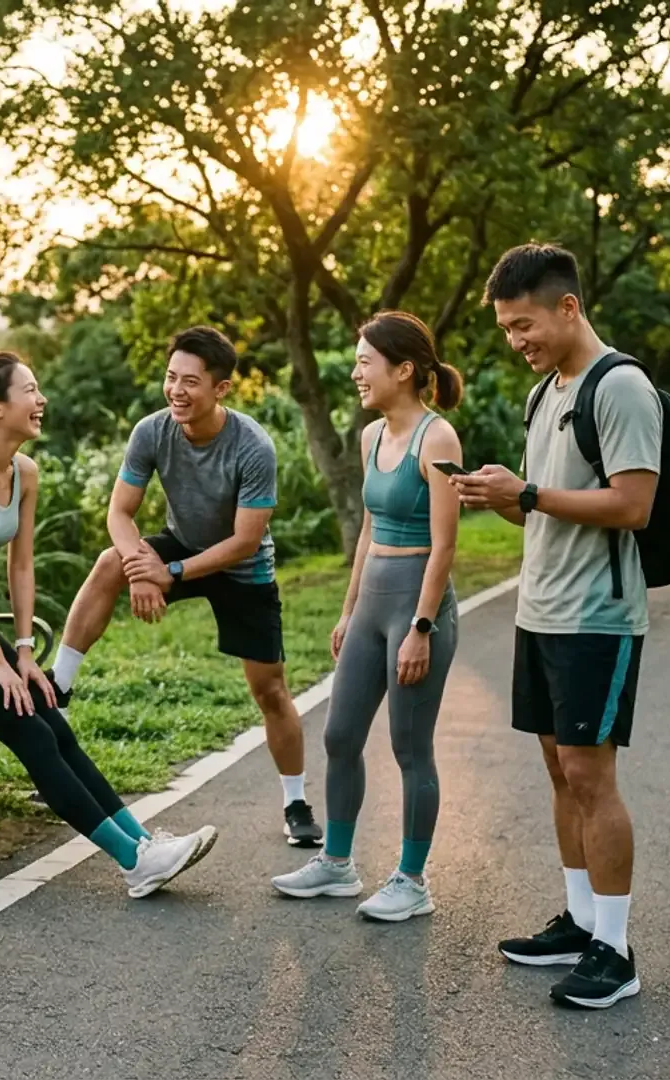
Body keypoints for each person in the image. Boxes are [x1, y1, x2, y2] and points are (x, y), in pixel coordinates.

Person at [0, 353, 217, 899]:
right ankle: (135, 862)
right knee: (30, 731)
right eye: (31, 391)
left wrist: (23, 651)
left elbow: (21, 565)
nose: (41, 401)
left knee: (51, 722)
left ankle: (142, 843)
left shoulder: (24, 472)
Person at [454, 244, 660, 1010]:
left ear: (568, 307)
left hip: (596, 617)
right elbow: (541, 500)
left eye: (524, 324)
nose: (517, 341)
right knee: (556, 769)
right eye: (507, 329)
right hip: (539, 608)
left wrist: (531, 494)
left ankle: (615, 948)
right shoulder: (549, 391)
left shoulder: (621, 387)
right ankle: (578, 923)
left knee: (591, 776)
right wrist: (499, 494)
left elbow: (632, 505)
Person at [51, 326, 324, 848]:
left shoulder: (253, 447)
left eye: (191, 382)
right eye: (171, 377)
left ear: (220, 389)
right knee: (111, 560)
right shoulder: (153, 431)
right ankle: (59, 687)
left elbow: (245, 541)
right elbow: (120, 512)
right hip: (180, 542)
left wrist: (168, 574)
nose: (176, 390)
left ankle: (295, 801)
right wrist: (139, 566)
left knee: (269, 690)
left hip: (243, 570)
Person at [271, 313, 464, 923]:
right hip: (372, 601)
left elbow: (445, 545)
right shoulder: (370, 437)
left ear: (403, 369)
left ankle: (412, 879)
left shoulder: (439, 439)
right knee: (339, 735)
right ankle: (337, 864)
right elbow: (369, 530)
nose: (355, 372)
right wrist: (348, 609)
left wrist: (422, 628)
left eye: (364, 361)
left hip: (416, 606)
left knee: (410, 747)